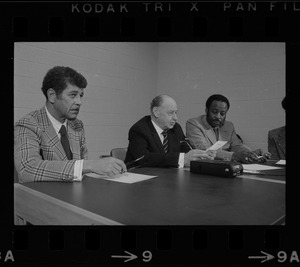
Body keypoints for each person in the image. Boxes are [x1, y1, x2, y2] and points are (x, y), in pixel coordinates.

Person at [14, 66, 126, 183]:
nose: (79, 102)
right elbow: (27, 170)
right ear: (52, 95)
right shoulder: (27, 125)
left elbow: (82, 171)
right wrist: (91, 165)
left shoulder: (77, 125)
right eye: (73, 95)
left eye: (81, 95)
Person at [125, 95, 216, 168]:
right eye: (170, 113)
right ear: (156, 112)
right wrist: (181, 159)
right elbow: (144, 158)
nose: (175, 118)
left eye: (176, 112)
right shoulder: (139, 130)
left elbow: (185, 148)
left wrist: (199, 155)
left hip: (165, 177)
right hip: (140, 178)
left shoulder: (176, 128)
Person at [186, 94, 271, 163]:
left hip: (226, 165)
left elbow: (237, 145)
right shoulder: (194, 124)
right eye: (214, 112)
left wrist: (251, 154)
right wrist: (235, 156)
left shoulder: (228, 125)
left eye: (222, 113)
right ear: (206, 110)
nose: (218, 117)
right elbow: (204, 151)